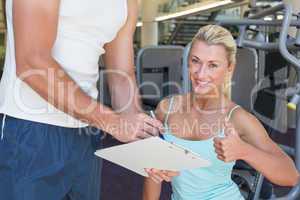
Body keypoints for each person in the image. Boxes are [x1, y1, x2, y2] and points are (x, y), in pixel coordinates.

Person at [0, 0, 177, 200]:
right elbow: (32, 61)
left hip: (86, 132)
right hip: (31, 129)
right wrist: (112, 121)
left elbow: (121, 75)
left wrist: (147, 143)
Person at [143, 25, 300, 200]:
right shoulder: (167, 108)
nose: (201, 74)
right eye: (196, 61)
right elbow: (153, 171)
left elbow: (291, 176)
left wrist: (244, 151)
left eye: (213, 65)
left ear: (229, 68)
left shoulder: (237, 118)